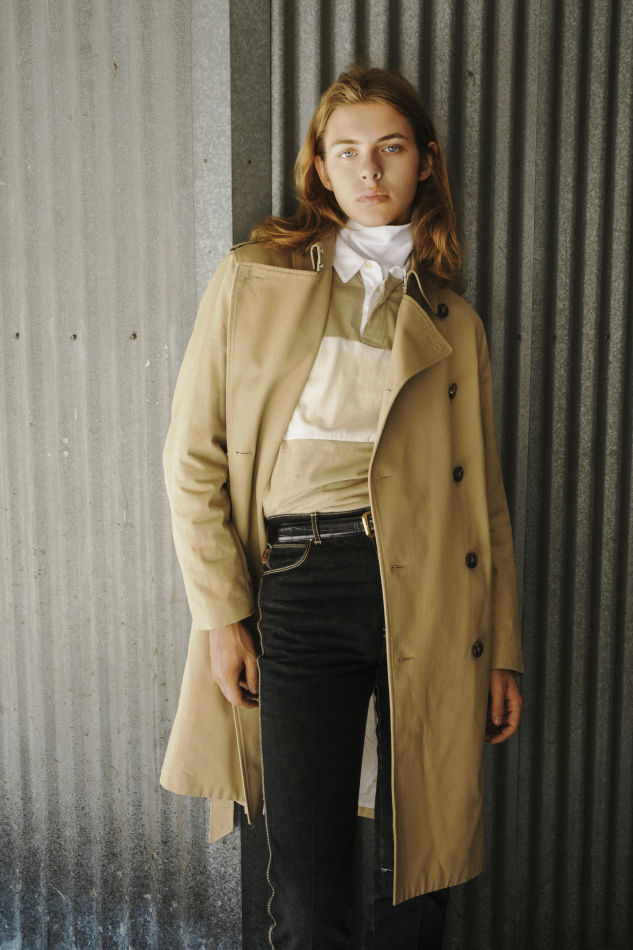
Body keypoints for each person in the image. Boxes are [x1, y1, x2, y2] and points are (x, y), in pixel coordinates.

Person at [160, 65, 524, 949]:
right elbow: (192, 456)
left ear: (424, 161)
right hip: (298, 578)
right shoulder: (255, 279)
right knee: (307, 872)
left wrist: (501, 648)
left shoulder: (454, 320)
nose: (370, 170)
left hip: (432, 590)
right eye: (347, 151)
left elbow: (484, 505)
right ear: (319, 167)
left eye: (390, 148)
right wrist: (221, 615)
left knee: (420, 871)